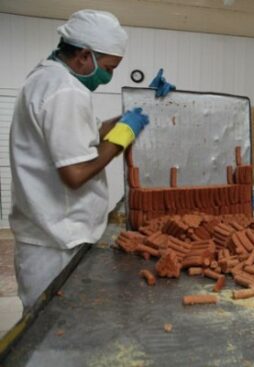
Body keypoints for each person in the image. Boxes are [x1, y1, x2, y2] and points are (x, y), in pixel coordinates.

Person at [9, 9, 174, 311]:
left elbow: (90, 133)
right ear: (85, 55)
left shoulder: (48, 77)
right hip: (57, 242)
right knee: (54, 338)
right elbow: (75, 173)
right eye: (109, 68)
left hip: (51, 234)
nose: (108, 76)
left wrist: (136, 108)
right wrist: (122, 138)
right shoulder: (65, 91)